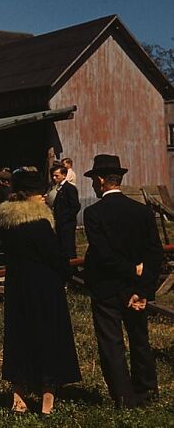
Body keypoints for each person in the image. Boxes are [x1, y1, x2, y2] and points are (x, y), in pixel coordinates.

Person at [0, 170, 81, 414]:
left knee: (20, 338)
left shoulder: (8, 223)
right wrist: (67, 274)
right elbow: (56, 257)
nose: (43, 196)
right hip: (45, 289)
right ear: (28, 196)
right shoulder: (41, 224)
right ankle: (47, 401)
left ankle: (18, 397)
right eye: (38, 193)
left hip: (18, 288)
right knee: (48, 339)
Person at [83, 154, 162, 408]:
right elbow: (154, 253)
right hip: (135, 291)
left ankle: (124, 396)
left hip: (106, 288)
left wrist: (130, 270)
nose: (94, 185)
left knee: (111, 343)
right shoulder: (142, 211)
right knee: (140, 339)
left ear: (102, 179)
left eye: (95, 180)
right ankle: (147, 389)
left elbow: (104, 254)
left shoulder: (93, 214)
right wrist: (143, 287)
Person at [51, 166, 81, 259]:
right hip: (60, 223)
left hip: (67, 223)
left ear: (64, 175)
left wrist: (66, 218)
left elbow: (75, 206)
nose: (54, 178)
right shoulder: (58, 188)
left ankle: (72, 268)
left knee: (68, 247)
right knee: (61, 246)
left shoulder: (69, 188)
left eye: (57, 176)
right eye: (53, 176)